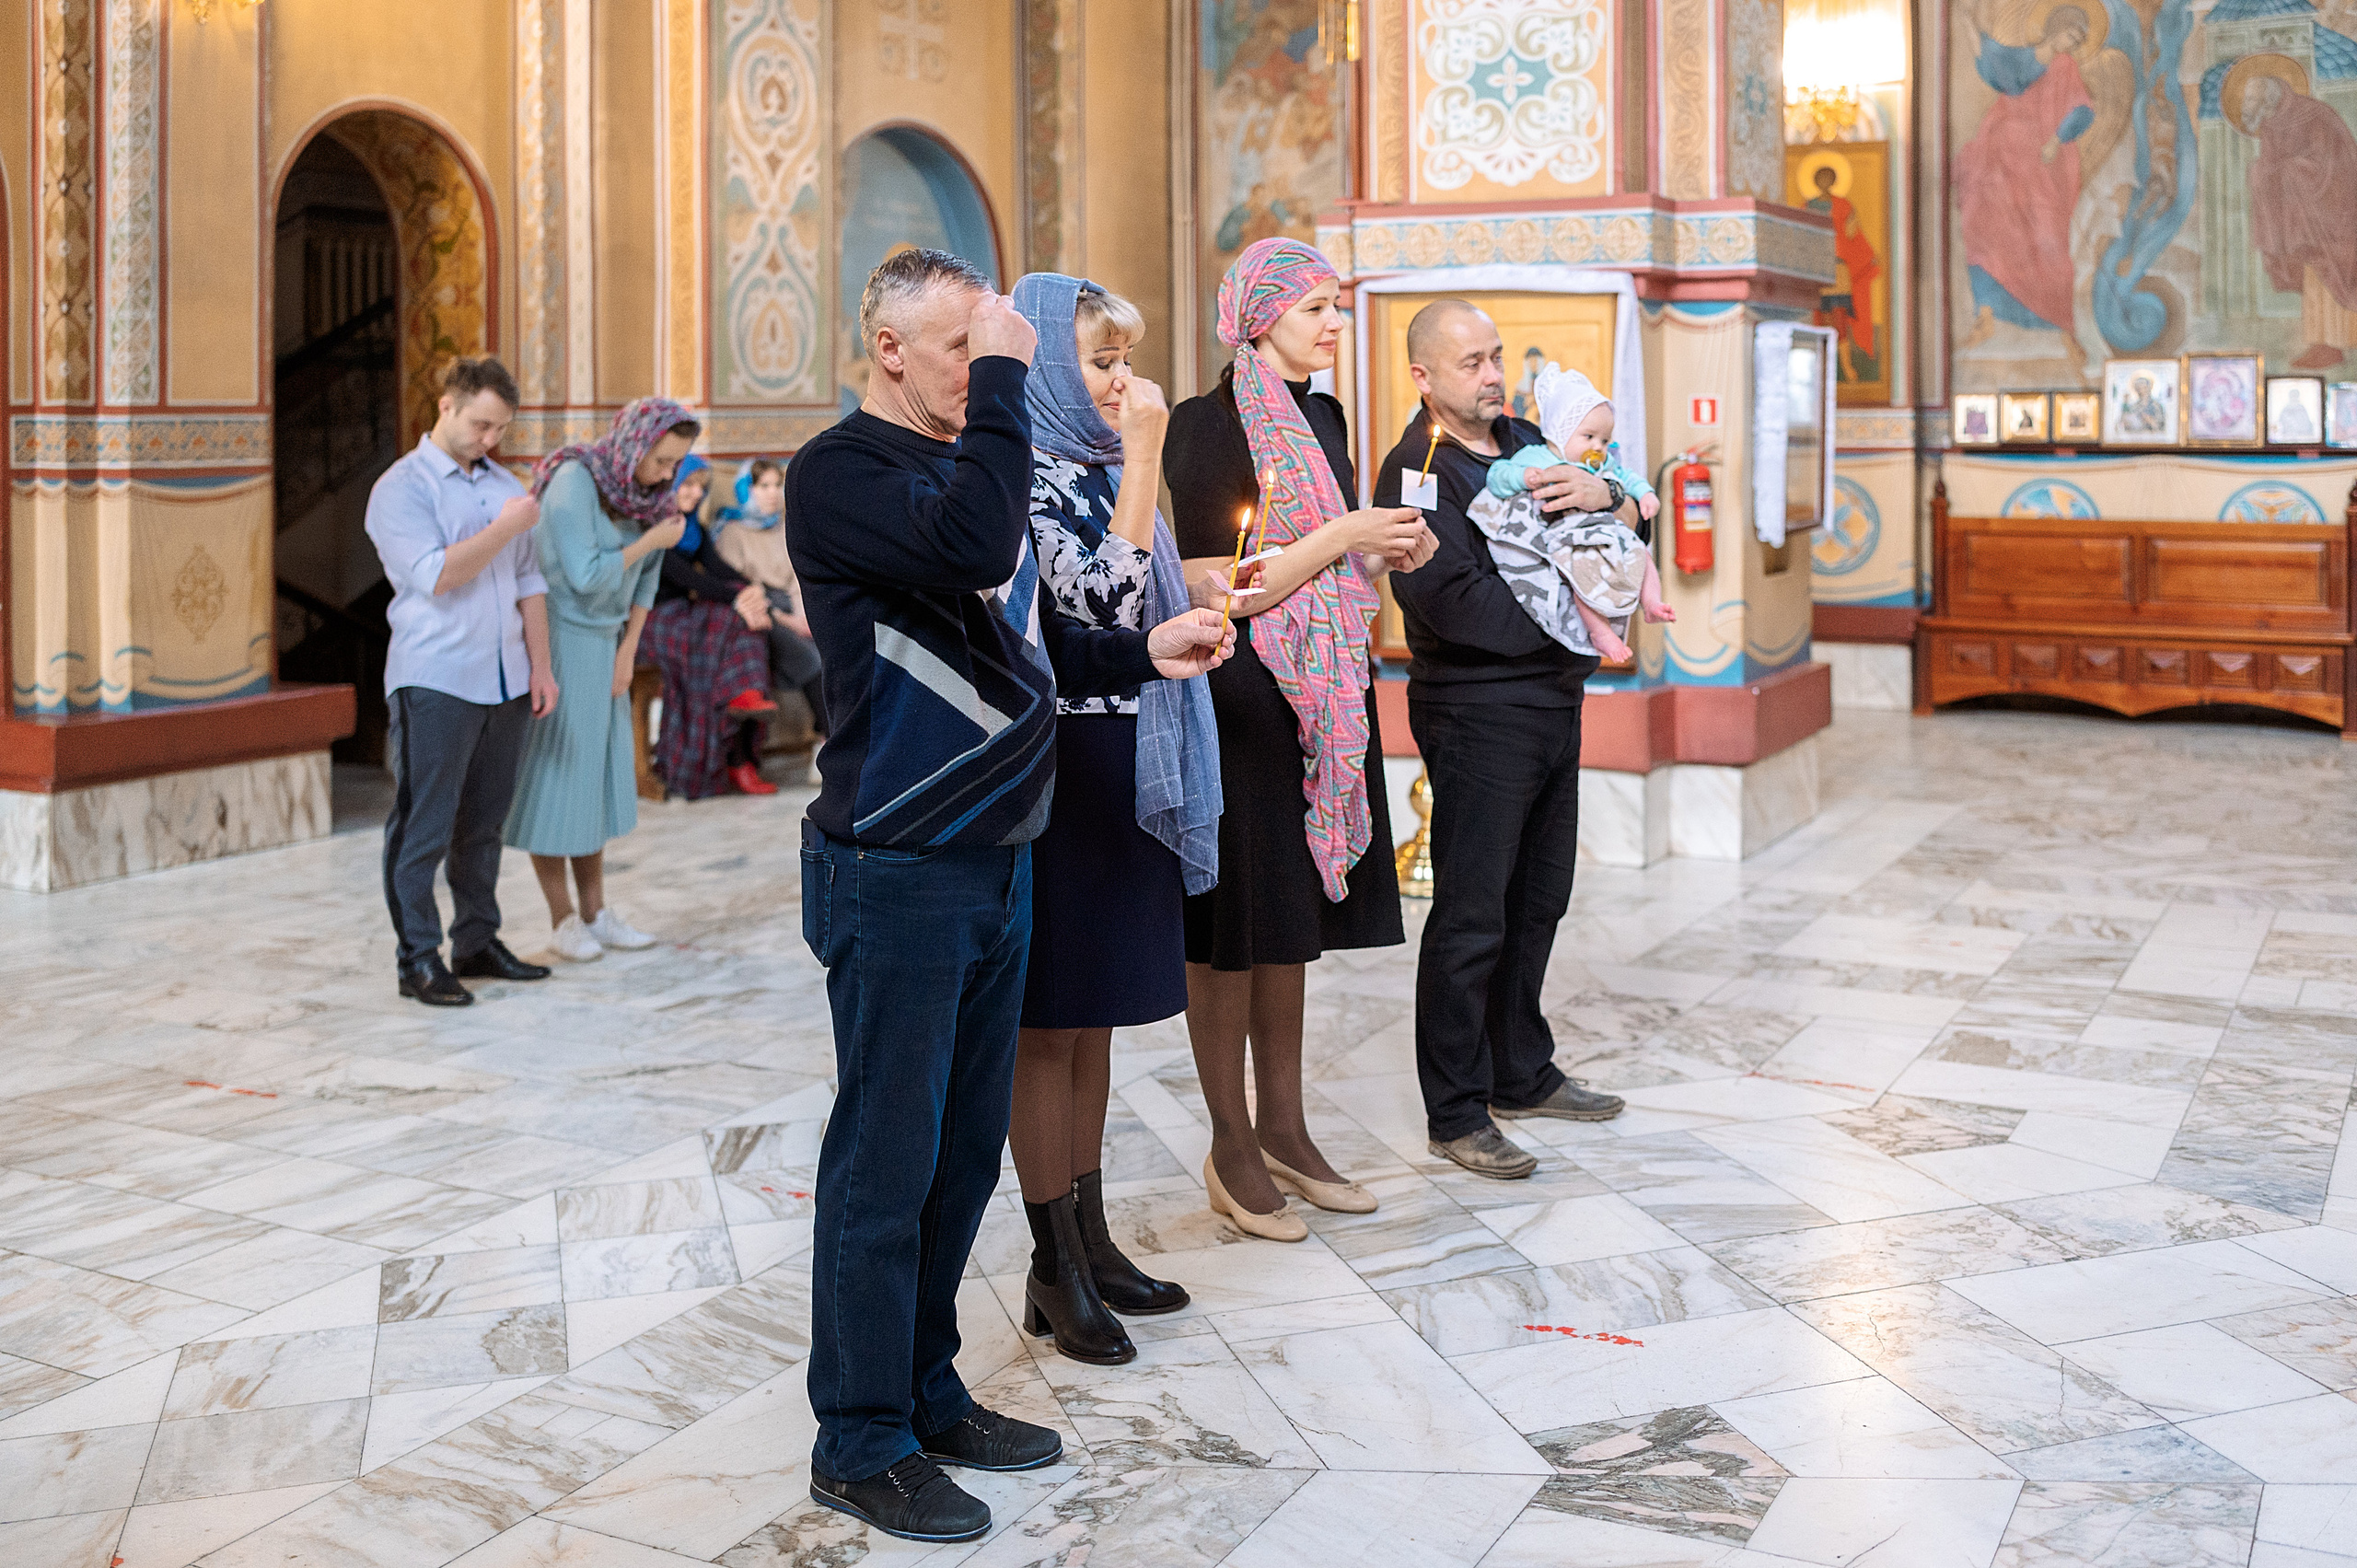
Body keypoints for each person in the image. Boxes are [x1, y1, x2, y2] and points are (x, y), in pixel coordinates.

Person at [785, 247, 1233, 1545]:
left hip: (997, 847)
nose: (977, 373)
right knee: (885, 1161)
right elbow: (983, 541)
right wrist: (1003, 383)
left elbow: (1009, 641)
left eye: (981, 352)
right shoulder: (846, 473)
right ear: (892, 349)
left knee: (962, 1150)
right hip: (896, 859)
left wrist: (1137, 646)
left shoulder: (950, 467)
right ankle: (858, 1435)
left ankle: (926, 1389)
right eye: (957, 347)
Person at [1166, 236, 1436, 1239]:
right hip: (1237, 692)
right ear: (1259, 312)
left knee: (1289, 922)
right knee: (1233, 925)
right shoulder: (1203, 425)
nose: (1333, 322)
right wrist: (1345, 536)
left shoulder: (1322, 417)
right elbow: (1219, 585)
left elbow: (1328, 570)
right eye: (1316, 305)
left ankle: (1285, 1125)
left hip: (1322, 692)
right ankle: (1229, 1141)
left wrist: (1385, 550)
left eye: (1337, 304)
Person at [1004, 271, 1230, 1366]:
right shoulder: (1026, 475)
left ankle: (1088, 1240)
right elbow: (1094, 603)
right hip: (1065, 759)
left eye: (1123, 358)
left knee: (1092, 1018)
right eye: (1100, 360)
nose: (1123, 381)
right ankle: (1049, 1263)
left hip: (1126, 739)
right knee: (1048, 1024)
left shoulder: (1091, 470)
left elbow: (1143, 595)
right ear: (1049, 363)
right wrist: (1147, 457)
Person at [1374, 299, 1629, 1181]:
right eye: (1471, 362)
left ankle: (1520, 1070)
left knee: (1541, 896)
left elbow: (1618, 526)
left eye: (1496, 357)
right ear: (1424, 377)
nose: (1492, 375)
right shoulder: (1414, 473)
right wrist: (1572, 627)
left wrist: (1609, 493)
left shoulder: (1528, 436)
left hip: (1554, 702)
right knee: (1474, 911)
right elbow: (1457, 602)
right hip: (1478, 709)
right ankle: (1455, 1109)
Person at [366, 356, 557, 1006]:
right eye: (481, 424)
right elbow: (436, 574)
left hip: (504, 679)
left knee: (483, 823)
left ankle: (476, 939)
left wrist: (541, 665)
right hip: (436, 678)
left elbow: (529, 581)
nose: (490, 440)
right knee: (425, 823)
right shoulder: (401, 488)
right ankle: (416, 957)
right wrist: (505, 526)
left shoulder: (502, 482)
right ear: (446, 406)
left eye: (500, 428)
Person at [503, 399, 702, 964]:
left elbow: (646, 583)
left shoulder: (645, 495)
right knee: (557, 778)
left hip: (610, 643)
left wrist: (629, 651)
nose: (667, 475)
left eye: (676, 464)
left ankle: (596, 913)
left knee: (594, 781)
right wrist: (649, 542)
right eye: (662, 461)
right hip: (562, 639)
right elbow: (589, 576)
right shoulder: (573, 481)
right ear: (634, 444)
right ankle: (562, 919)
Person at [1479, 364, 1674, 665]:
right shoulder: (1539, 456)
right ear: (1560, 432)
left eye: (1605, 440)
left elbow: (1628, 477)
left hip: (1609, 531)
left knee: (1643, 555)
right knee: (1578, 574)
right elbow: (1498, 475)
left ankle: (1651, 602)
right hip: (1571, 536)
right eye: (1589, 437)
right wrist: (1524, 477)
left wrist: (1646, 494)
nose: (1599, 447)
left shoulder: (1602, 465)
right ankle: (1600, 631)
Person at [637, 455, 782, 800]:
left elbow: (718, 569)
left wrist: (750, 589)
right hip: (652, 619)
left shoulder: (692, 527)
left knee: (739, 615)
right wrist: (742, 599)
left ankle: (743, 696)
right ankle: (743, 696)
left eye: (700, 487)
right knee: (732, 616)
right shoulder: (655, 525)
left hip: (684, 614)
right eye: (686, 485)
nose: (694, 493)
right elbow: (687, 578)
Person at [715, 459, 830, 737]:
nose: (772, 493)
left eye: (777, 485)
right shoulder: (732, 532)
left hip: (794, 605)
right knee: (809, 658)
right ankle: (832, 734)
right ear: (746, 489)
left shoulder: (785, 527)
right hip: (759, 611)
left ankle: (828, 735)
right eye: (763, 485)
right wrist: (789, 621)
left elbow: (797, 579)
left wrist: (804, 616)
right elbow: (741, 590)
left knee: (834, 648)